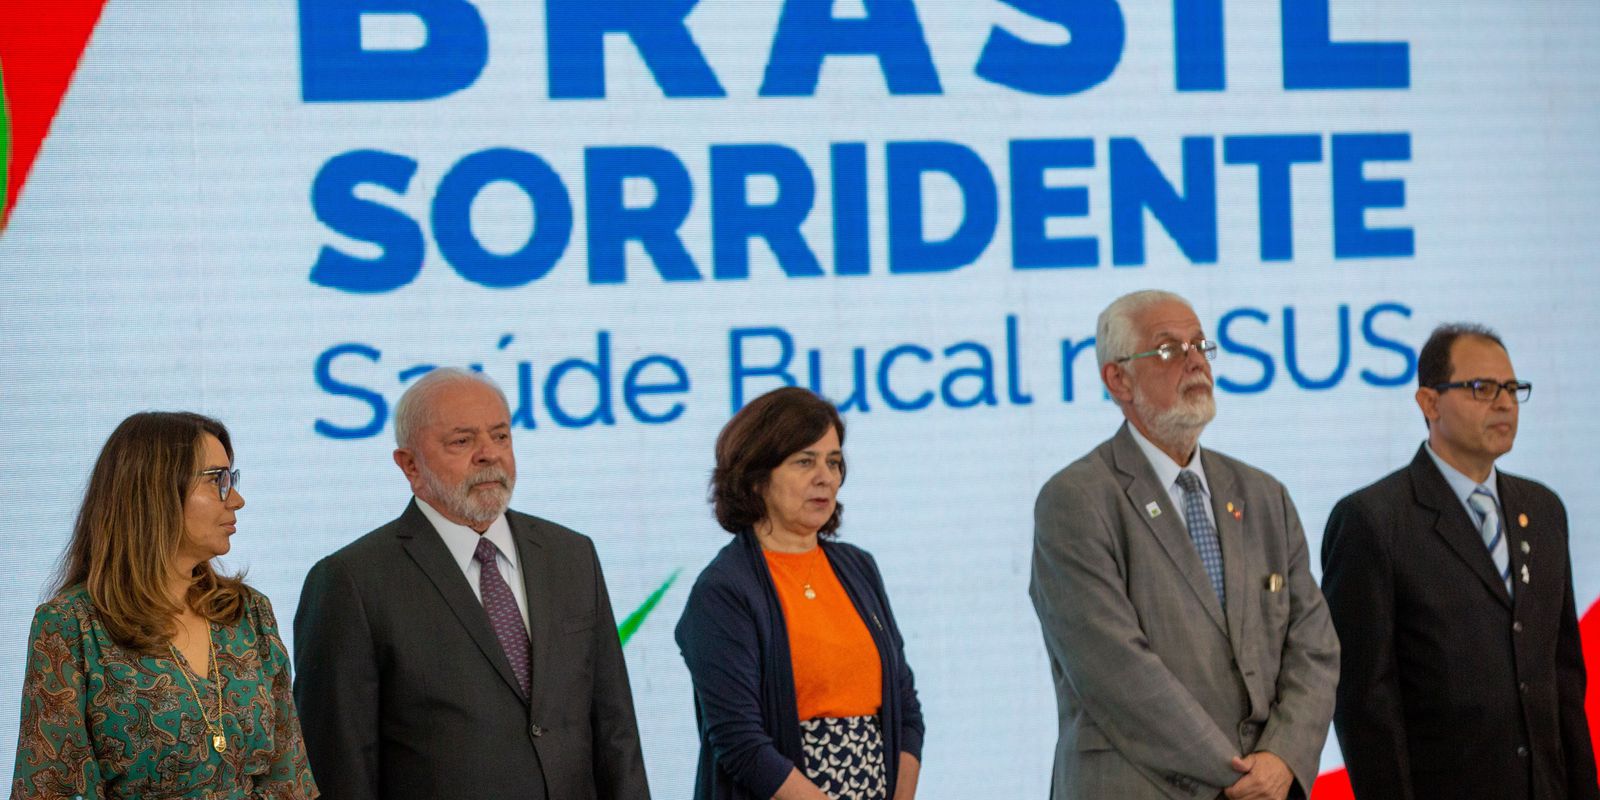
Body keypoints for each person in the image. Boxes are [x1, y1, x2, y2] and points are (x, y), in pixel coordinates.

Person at [1030, 290, 1339, 800]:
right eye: (1169, 349)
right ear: (1119, 379)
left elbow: (1314, 647)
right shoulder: (1076, 500)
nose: (1195, 361)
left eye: (1200, 345)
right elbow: (1117, 672)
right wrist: (1236, 775)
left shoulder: (1264, 496)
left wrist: (1282, 757)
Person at [292, 367, 649, 800]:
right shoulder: (352, 582)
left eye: (500, 436)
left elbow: (616, 734)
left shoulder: (571, 555)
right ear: (409, 464)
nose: (489, 454)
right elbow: (340, 768)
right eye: (462, 441)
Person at [1321, 323, 1598, 800]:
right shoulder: (1373, 520)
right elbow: (1365, 704)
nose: (1504, 403)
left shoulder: (1544, 510)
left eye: (1512, 388)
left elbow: (1564, 680)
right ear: (1429, 403)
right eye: (1482, 388)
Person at [10, 412, 317, 799]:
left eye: (232, 480)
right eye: (217, 480)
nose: (237, 500)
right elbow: (52, 788)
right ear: (154, 491)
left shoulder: (248, 612)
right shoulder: (72, 625)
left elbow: (290, 780)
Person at [675, 386, 924, 800]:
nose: (825, 477)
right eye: (805, 462)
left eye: (834, 462)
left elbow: (907, 710)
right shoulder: (723, 590)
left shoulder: (859, 567)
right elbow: (741, 744)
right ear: (757, 478)